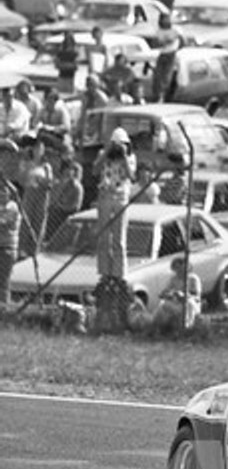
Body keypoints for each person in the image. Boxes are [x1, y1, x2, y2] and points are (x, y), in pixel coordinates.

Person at [94, 127, 135, 329]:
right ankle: (105, 271)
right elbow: (94, 171)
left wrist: (125, 156)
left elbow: (131, 175)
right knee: (104, 238)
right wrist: (105, 154)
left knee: (119, 239)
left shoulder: (130, 157)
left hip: (121, 198)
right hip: (104, 196)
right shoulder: (104, 155)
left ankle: (119, 273)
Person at [17, 135, 51, 257]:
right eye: (36, 148)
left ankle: (35, 249)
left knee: (39, 222)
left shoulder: (46, 166)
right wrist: (27, 169)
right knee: (26, 221)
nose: (38, 151)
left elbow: (50, 183)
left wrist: (43, 181)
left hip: (42, 195)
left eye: (41, 148)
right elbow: (21, 181)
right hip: (29, 193)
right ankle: (22, 248)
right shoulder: (25, 163)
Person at [154, 255, 202, 331]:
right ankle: (160, 328)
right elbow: (165, 291)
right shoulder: (173, 279)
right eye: (175, 269)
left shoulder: (193, 279)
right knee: (162, 304)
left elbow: (196, 296)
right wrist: (166, 294)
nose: (177, 271)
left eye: (179, 268)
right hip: (176, 302)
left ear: (185, 267)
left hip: (189, 303)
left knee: (189, 304)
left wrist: (184, 295)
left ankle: (187, 328)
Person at [47, 160, 83, 239]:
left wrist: (61, 207)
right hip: (59, 210)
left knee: (54, 215)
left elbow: (75, 206)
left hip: (69, 213)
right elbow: (54, 198)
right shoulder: (62, 183)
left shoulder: (77, 187)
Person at [152, 13, 181, 102]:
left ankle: (164, 94)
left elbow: (180, 40)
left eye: (167, 19)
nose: (166, 21)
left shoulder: (175, 29)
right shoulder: (158, 31)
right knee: (158, 75)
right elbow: (156, 43)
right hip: (163, 53)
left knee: (167, 76)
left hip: (172, 54)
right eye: (164, 19)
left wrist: (171, 40)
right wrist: (162, 42)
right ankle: (158, 94)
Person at [0, 182, 17, 306]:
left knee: (3, 282)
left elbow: (4, 223)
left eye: (4, 192)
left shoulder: (12, 207)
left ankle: (3, 309)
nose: (2, 194)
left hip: (7, 249)